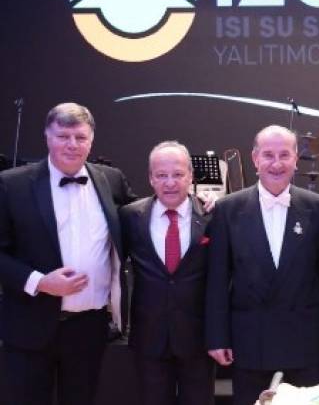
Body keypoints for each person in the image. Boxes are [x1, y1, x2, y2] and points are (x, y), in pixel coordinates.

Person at [0, 102, 137, 405]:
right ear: (47, 136)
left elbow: (143, 216)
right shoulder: (11, 185)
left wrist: (196, 204)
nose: (72, 144)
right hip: (29, 326)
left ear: (91, 140)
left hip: (89, 329)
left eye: (80, 137)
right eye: (63, 136)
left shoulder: (111, 179)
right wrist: (39, 282)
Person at [205, 125, 319, 405]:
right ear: (255, 159)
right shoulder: (228, 209)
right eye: (268, 155)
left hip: (303, 340)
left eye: (284, 155)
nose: (276, 164)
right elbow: (217, 279)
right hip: (250, 341)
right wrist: (217, 336)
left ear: (296, 159)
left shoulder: (318, 207)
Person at [119, 141, 214, 405]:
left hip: (198, 340)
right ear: (150, 178)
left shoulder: (212, 216)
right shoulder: (130, 216)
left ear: (191, 176)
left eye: (178, 174)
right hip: (149, 338)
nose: (170, 183)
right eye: (161, 175)